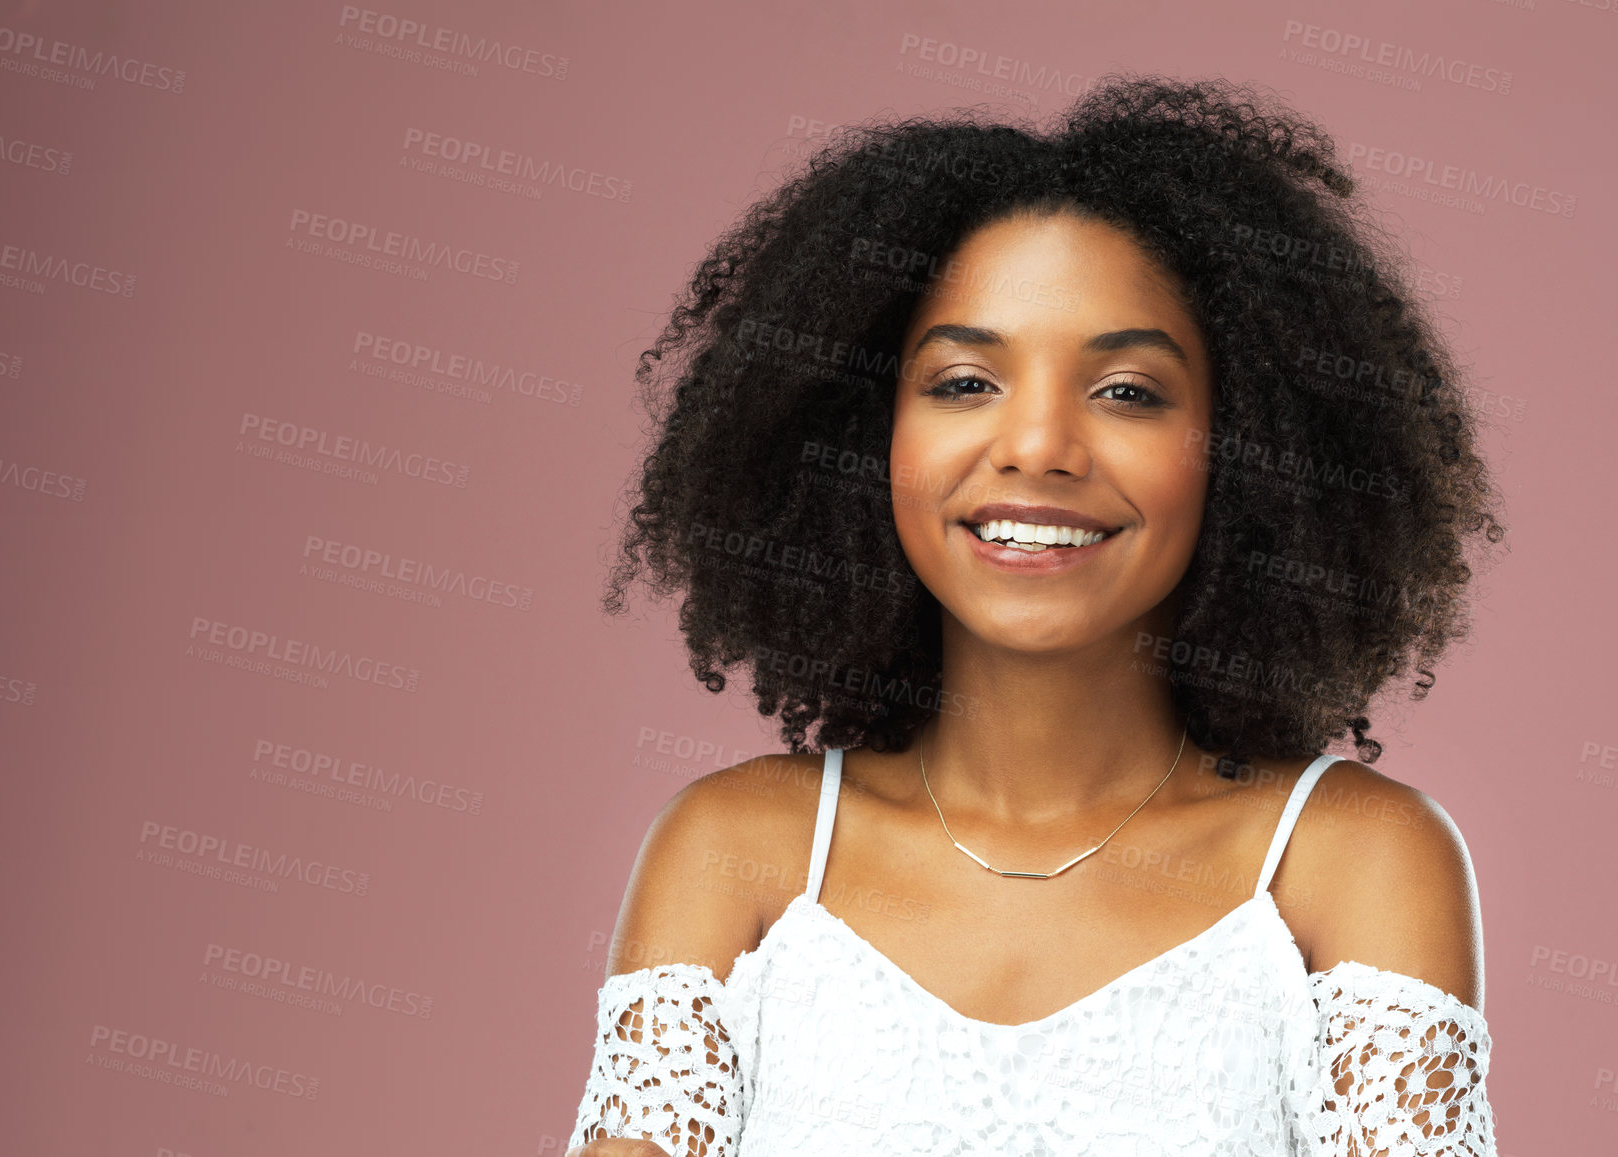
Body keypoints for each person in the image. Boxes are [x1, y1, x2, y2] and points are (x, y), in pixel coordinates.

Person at [565, 75, 1505, 1156]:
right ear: (863, 432)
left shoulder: (1352, 862)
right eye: (964, 382)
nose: (1037, 446)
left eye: (1125, 392)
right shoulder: (737, 852)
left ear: (1248, 449)